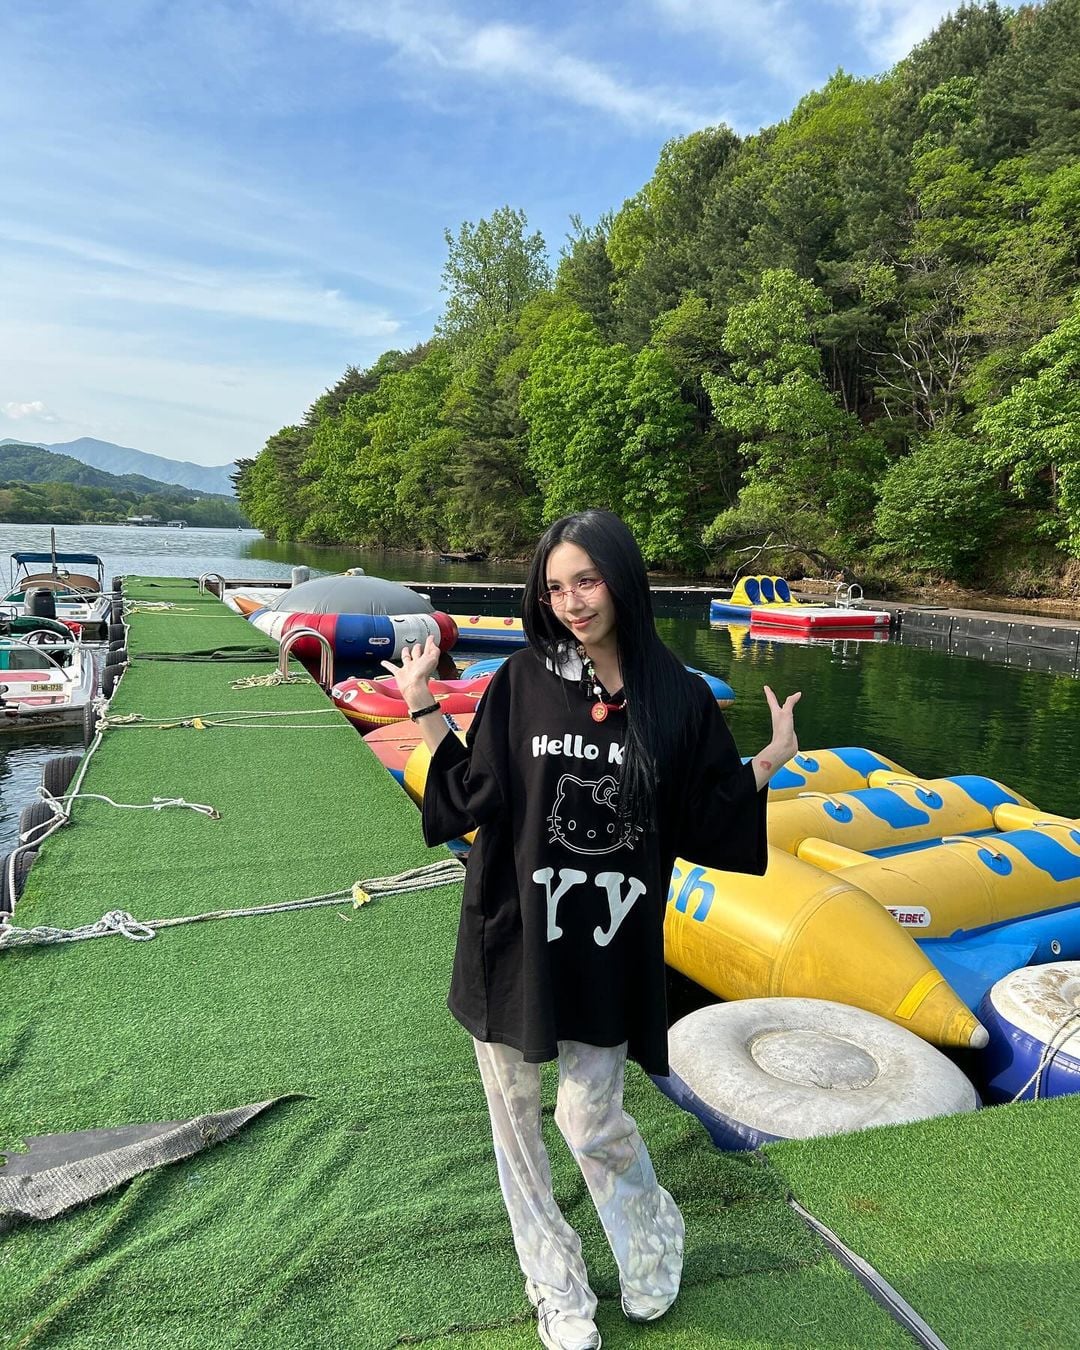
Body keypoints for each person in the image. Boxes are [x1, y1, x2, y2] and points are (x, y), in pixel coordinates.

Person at [384, 510, 800, 1350]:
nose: (572, 602)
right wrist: (423, 703)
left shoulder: (676, 695)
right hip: (512, 935)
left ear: (622, 580)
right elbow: (471, 795)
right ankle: (555, 1282)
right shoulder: (522, 681)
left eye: (587, 580)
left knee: (590, 1118)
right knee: (515, 1122)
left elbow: (702, 817)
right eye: (555, 587)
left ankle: (652, 1237)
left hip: (610, 944)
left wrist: (767, 761)